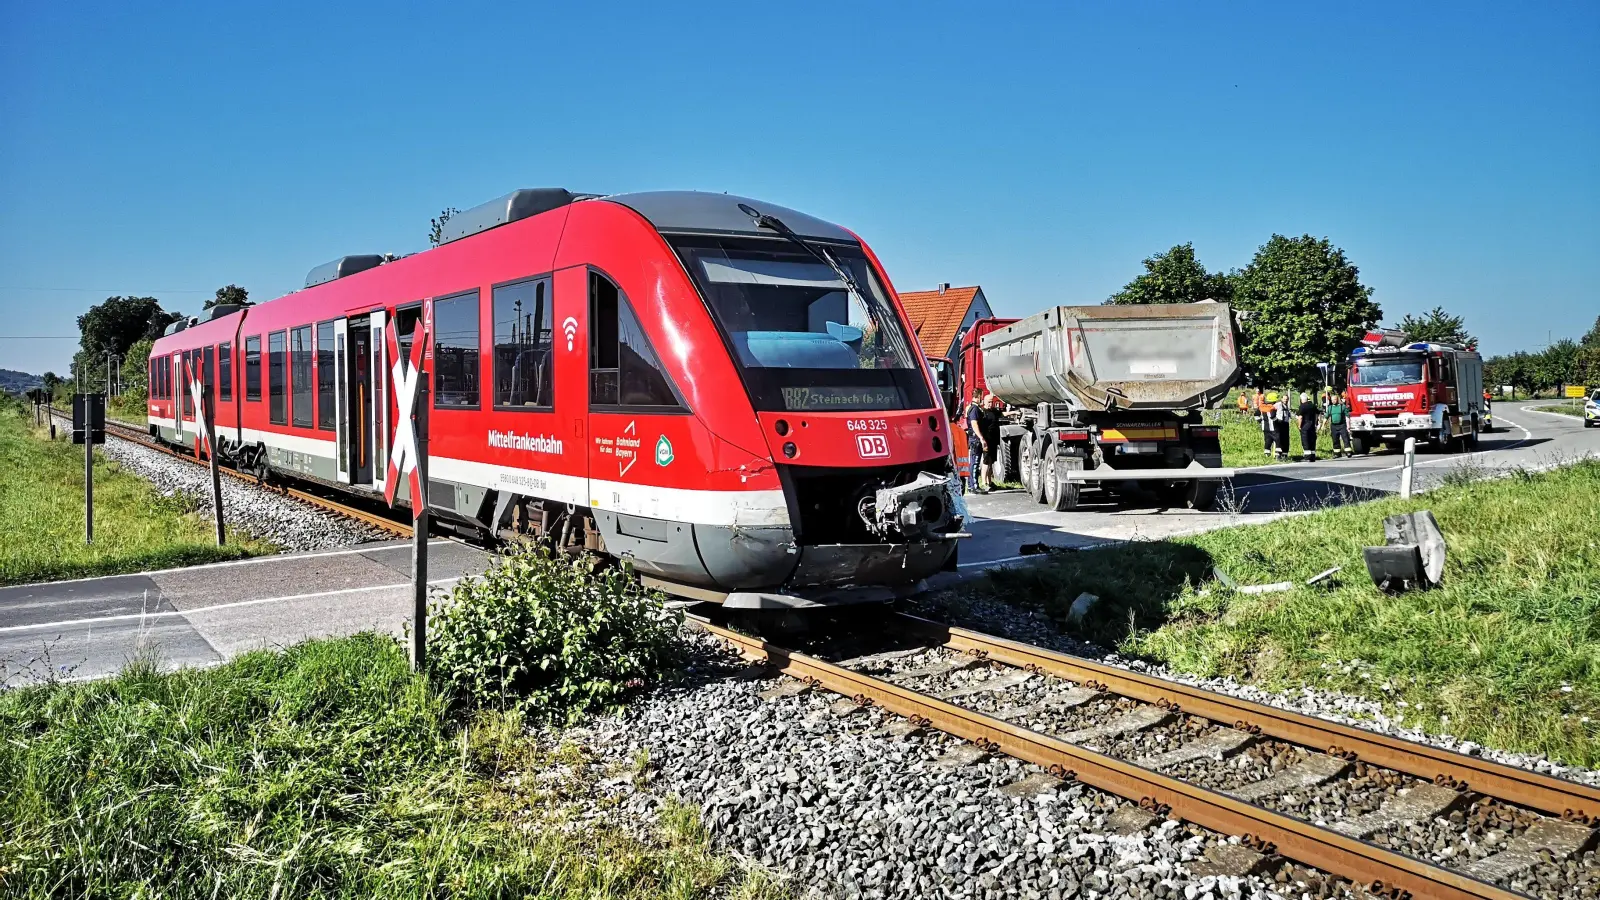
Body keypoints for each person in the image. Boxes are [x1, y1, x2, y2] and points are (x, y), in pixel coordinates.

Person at [972, 393, 1004, 492]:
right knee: (985, 462)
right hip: (986, 439)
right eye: (989, 402)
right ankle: (984, 483)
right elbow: (976, 424)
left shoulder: (994, 411)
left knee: (991, 462)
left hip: (994, 440)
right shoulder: (982, 412)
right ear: (984, 402)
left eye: (992, 402)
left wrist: (1014, 413)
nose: (991, 404)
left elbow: (1002, 414)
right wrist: (982, 439)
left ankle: (990, 482)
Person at [1295, 391, 1320, 461]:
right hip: (1312, 425)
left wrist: (1299, 426)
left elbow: (1300, 417)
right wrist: (1316, 422)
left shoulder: (1302, 406)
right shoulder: (1312, 405)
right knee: (1312, 439)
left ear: (1301, 399)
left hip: (1305, 425)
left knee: (1305, 440)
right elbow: (1317, 413)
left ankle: (1307, 456)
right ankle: (1312, 455)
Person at [1327, 391, 1351, 457]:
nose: (1333, 401)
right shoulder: (1330, 408)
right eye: (1332, 400)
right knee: (1335, 439)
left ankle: (1348, 452)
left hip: (1342, 425)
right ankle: (1337, 453)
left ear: (1337, 399)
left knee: (1345, 438)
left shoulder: (1342, 407)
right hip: (1334, 426)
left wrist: (1348, 425)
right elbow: (1326, 416)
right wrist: (1323, 425)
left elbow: (1347, 416)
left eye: (1334, 399)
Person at [1273, 392, 1292, 461]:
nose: (1285, 400)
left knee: (1285, 439)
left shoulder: (1287, 406)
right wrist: (1275, 419)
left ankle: (1284, 454)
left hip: (1285, 424)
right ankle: (1278, 455)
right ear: (1281, 399)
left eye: (1287, 399)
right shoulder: (1278, 405)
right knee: (1279, 439)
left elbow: (1289, 415)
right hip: (1279, 423)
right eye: (1284, 399)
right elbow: (1271, 410)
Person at [1260, 391, 1279, 456]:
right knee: (1277, 440)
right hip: (1273, 427)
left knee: (1267, 441)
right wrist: (1278, 422)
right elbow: (1273, 416)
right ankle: (1277, 455)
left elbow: (1256, 415)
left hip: (1265, 427)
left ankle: (1266, 454)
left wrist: (1261, 421)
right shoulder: (1272, 407)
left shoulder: (1261, 407)